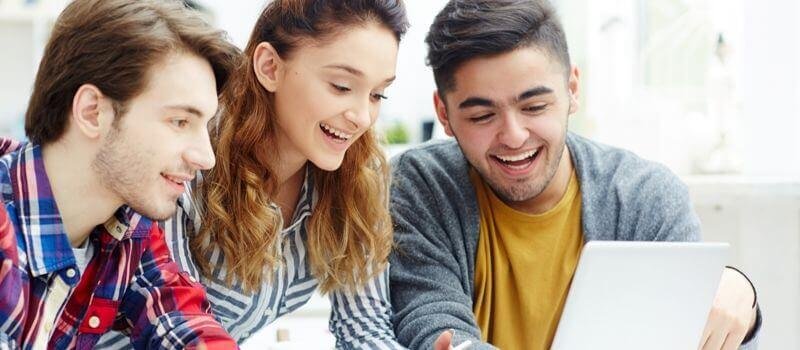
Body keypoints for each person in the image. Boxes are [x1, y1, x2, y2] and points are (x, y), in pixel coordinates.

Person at [388, 1, 762, 349]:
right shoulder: (421, 185)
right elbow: (432, 322)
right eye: (482, 116)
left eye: (534, 106)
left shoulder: (644, 196)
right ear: (444, 113)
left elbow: (699, 333)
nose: (514, 135)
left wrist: (737, 303)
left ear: (572, 89)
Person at [96, 0, 409, 348]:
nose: (363, 117)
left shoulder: (357, 178)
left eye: (378, 94)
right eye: (341, 86)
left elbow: (364, 329)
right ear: (270, 67)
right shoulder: (189, 161)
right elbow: (178, 327)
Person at [0, 0, 240, 348]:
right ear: (92, 112)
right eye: (180, 122)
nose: (206, 158)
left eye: (205, 126)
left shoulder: (127, 231)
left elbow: (184, 324)